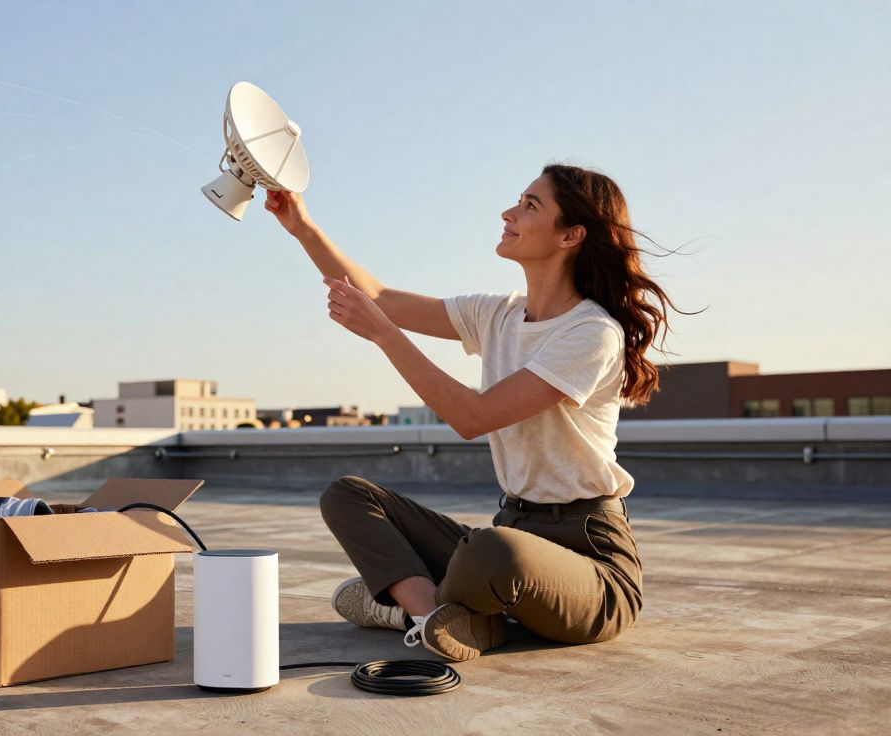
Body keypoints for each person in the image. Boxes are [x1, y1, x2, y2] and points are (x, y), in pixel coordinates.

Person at [265, 164, 684, 662]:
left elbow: (472, 416)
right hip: (515, 528)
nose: (508, 213)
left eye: (530, 205)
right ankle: (432, 619)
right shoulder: (498, 314)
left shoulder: (591, 333)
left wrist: (383, 335)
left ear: (571, 234)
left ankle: (410, 608)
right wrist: (301, 227)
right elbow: (378, 297)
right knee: (349, 496)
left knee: (491, 550)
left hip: (591, 563)